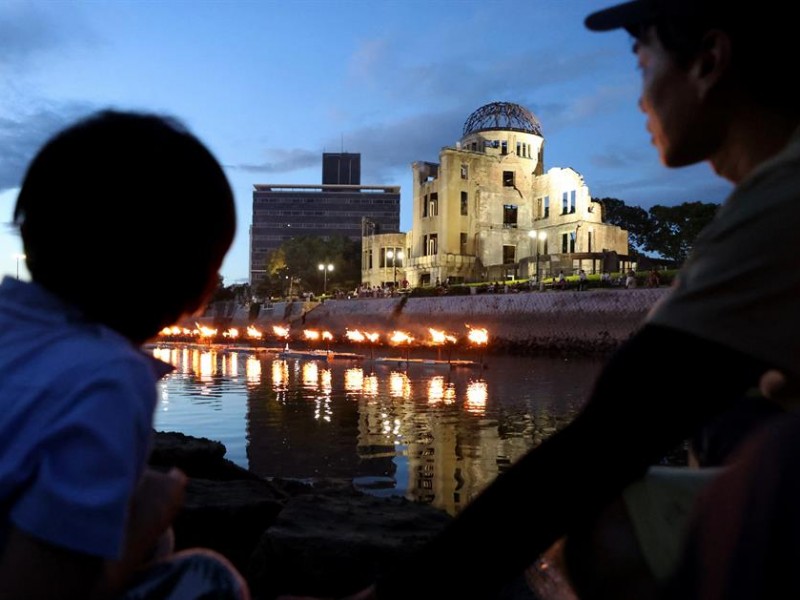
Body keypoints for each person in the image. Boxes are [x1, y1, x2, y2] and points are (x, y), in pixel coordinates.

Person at [279, 0, 800, 598]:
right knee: (738, 429)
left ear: (709, 61)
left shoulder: (780, 206)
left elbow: (609, 436)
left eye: (642, 61)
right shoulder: (772, 195)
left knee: (595, 525)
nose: (638, 100)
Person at [0, 111, 249, 599]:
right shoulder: (108, 380)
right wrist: (150, 512)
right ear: (199, 288)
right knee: (208, 577)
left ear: (30, 237)